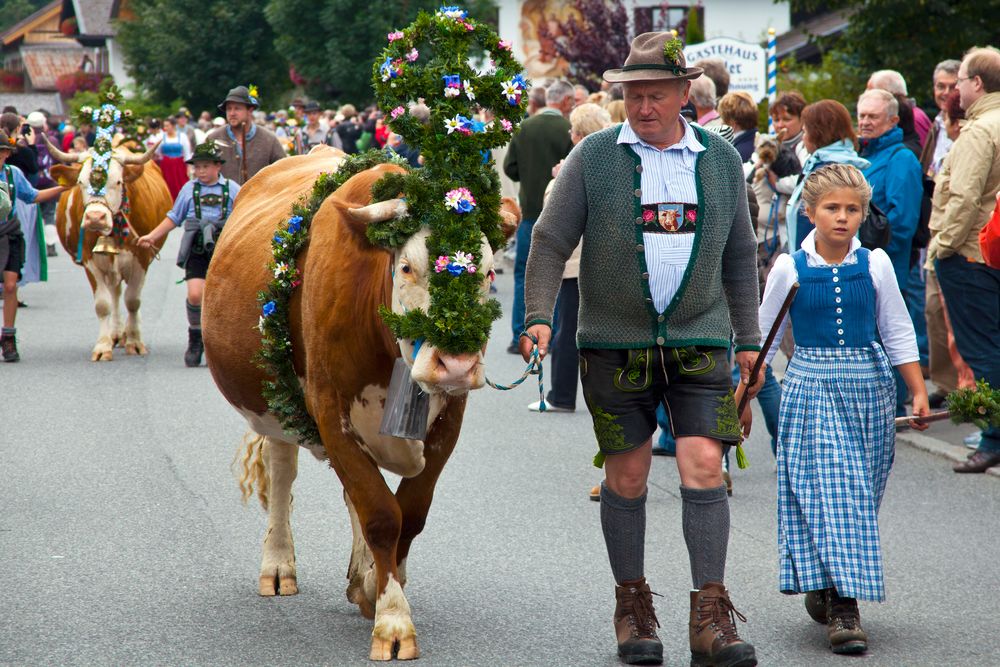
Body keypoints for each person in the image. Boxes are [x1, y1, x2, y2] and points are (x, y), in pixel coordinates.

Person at [523, 33, 761, 666]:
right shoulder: (594, 157)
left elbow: (740, 256)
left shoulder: (719, 159)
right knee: (626, 475)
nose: (642, 107)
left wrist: (750, 341)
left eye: (655, 95)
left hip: (701, 340)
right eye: (632, 95)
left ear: (685, 93)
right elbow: (547, 242)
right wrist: (540, 316)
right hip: (614, 344)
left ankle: (710, 616)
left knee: (704, 465)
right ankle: (632, 607)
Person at [759, 163, 928, 655]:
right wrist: (743, 398)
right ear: (809, 211)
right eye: (831, 208)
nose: (842, 217)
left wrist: (916, 390)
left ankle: (828, 578)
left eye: (852, 209)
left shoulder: (875, 265)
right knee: (835, 487)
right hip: (811, 385)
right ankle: (845, 607)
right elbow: (764, 340)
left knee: (859, 494)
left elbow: (897, 330)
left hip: (869, 389)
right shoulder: (790, 268)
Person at [927, 47, 1000, 472]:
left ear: (977, 83)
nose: (955, 89)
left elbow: (965, 196)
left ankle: (993, 435)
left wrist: (944, 247)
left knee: (982, 349)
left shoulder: (979, 130)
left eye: (961, 81)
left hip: (971, 252)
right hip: (990, 248)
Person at [528, 102, 612, 416]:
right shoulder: (614, 166)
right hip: (605, 264)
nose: (570, 134)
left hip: (575, 263)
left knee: (566, 333)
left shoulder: (573, 171)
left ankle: (561, 394)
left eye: (574, 129)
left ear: (580, 135)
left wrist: (556, 180)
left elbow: (555, 221)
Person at [136, 141, 241, 367]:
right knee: (195, 294)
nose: (200, 171)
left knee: (224, 298)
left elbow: (244, 215)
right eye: (197, 167)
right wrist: (151, 236)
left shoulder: (232, 188)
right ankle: (195, 338)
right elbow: (174, 217)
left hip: (225, 249)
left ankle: (220, 342)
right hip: (197, 247)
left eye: (205, 166)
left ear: (217, 166)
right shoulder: (188, 189)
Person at [857, 89, 925, 417]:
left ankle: (894, 409)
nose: (865, 122)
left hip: (888, 267)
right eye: (862, 115)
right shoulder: (866, 154)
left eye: (872, 116)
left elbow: (902, 223)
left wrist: (869, 246)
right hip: (864, 264)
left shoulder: (902, 159)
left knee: (890, 337)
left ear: (893, 120)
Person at [503, 79, 574, 355]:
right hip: (560, 214)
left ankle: (518, 336)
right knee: (555, 274)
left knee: (524, 273)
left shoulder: (525, 127)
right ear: (565, 102)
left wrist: (529, 178)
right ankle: (550, 335)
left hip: (530, 212)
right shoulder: (567, 129)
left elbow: (510, 168)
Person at [0, 130, 66, 361]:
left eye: (1, 152)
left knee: (10, 286)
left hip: (9, 232)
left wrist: (63, 188)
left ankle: (8, 337)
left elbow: (32, 196)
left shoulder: (13, 173)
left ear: (7, 153)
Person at [786, 100, 870, 253]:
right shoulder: (838, 164)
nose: (803, 139)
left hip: (822, 267)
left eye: (805, 131)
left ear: (817, 133)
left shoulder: (830, 173)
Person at [205, 86, 286, 185]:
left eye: (237, 108)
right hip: (224, 199)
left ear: (250, 110)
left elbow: (284, 172)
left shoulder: (269, 139)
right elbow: (202, 173)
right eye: (229, 109)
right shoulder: (213, 139)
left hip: (259, 199)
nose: (232, 113)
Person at [867, 69, 932, 146]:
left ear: (887, 94)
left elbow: (921, 155)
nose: (866, 95)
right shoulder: (908, 115)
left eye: (871, 91)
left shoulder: (913, 118)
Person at [157, 116, 193, 199]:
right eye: (164, 126)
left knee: (180, 185)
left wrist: (189, 168)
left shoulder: (182, 136)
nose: (165, 128)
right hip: (166, 166)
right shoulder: (161, 137)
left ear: (173, 126)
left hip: (179, 166)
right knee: (167, 184)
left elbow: (187, 153)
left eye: (167, 126)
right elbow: (157, 153)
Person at [718, 92, 757, 162]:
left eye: (723, 118)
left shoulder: (735, 154)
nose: (721, 123)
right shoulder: (759, 143)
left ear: (732, 122)